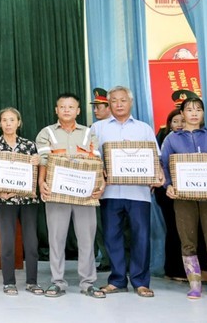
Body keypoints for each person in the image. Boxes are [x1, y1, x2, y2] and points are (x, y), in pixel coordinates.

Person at [91, 86, 164, 298]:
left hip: (138, 192)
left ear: (130, 103)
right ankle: (117, 280)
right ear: (109, 104)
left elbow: (155, 158)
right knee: (112, 237)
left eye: (123, 100)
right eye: (114, 101)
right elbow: (91, 158)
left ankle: (141, 282)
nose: (119, 104)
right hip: (110, 192)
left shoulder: (143, 128)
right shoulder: (98, 128)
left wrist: (158, 174)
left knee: (141, 236)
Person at [36, 93, 105, 299]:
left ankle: (88, 282)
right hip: (56, 193)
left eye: (71, 107)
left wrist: (101, 184)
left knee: (87, 238)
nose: (66, 110)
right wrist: (41, 183)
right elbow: (44, 161)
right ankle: (57, 282)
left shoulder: (88, 133)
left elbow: (96, 162)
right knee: (56, 239)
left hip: (85, 194)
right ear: (56, 110)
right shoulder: (46, 133)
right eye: (62, 107)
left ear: (78, 110)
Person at [160, 96, 207, 299]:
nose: (194, 113)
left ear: (203, 114)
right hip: (183, 197)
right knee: (187, 238)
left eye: (198, 109)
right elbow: (164, 166)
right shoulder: (172, 139)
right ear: (182, 114)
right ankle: (194, 285)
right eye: (189, 109)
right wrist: (168, 185)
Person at [0, 107, 43, 296]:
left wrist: (37, 161)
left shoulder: (29, 146)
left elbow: (36, 172)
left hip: (27, 201)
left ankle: (32, 282)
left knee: (31, 243)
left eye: (12, 120)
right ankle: (9, 282)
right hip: (4, 201)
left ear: (19, 122)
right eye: (4, 120)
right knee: (7, 242)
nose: (8, 123)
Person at [154, 108, 191, 281]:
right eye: (175, 121)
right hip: (167, 192)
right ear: (169, 123)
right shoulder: (163, 137)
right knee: (174, 229)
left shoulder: (194, 138)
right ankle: (174, 269)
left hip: (189, 190)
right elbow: (158, 163)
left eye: (182, 121)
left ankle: (190, 270)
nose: (179, 125)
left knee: (188, 230)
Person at [90, 87, 111, 272]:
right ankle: (105, 258)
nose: (96, 111)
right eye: (94, 107)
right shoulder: (94, 127)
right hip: (98, 181)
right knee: (99, 224)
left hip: (120, 182)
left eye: (99, 106)